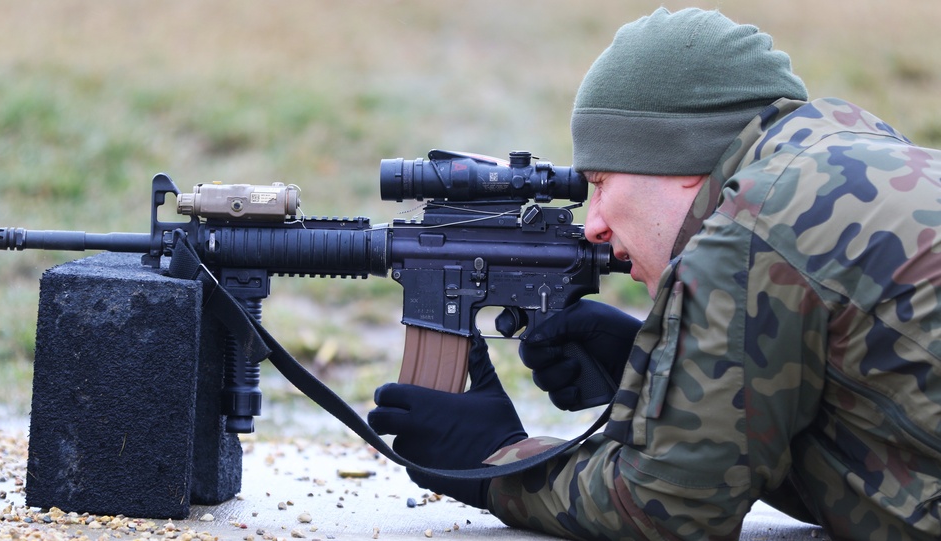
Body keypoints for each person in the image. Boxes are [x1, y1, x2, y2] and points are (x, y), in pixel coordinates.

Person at [368, 7, 941, 540]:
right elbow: (879, 458)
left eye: (599, 183)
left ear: (678, 160)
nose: (592, 223)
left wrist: (496, 460)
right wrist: (655, 378)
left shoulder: (754, 222)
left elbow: (674, 508)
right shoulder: (865, 160)